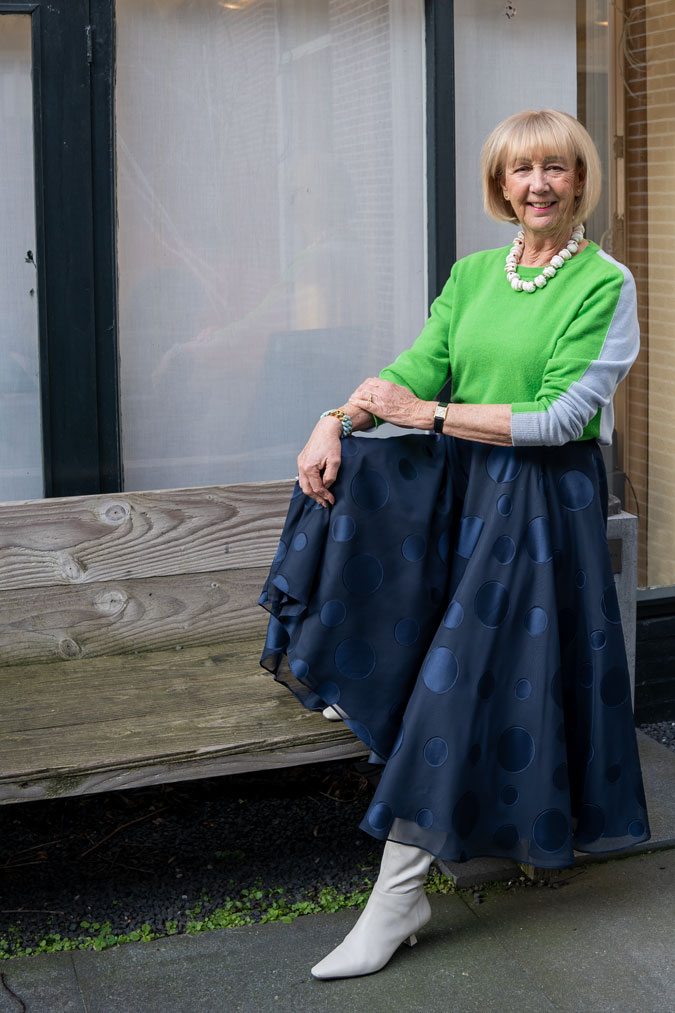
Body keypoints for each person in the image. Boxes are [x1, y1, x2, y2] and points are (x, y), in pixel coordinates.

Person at [259, 109, 650, 980]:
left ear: (579, 180)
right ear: (500, 186)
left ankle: (398, 894)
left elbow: (558, 417)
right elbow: (416, 367)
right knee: (352, 489)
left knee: (460, 676)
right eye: (520, 170)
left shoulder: (604, 284)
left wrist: (426, 415)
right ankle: (367, 694)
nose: (537, 184)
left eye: (554, 167)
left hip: (540, 505)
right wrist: (334, 419)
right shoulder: (474, 274)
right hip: (463, 495)